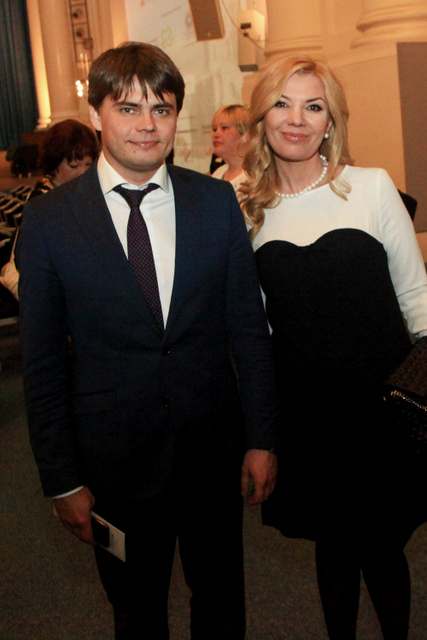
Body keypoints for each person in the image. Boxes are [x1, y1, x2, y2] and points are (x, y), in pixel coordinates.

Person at [17, 42, 280, 640]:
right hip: (112, 465)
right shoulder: (51, 222)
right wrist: (62, 478)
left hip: (212, 455)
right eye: (128, 108)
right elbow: (43, 365)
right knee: (136, 614)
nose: (146, 125)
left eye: (161, 109)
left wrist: (263, 437)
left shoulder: (215, 202)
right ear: (96, 113)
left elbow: (248, 331)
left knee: (222, 606)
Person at [241, 54, 427, 640]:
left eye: (313, 106)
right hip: (307, 415)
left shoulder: (371, 187)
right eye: (283, 103)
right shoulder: (247, 209)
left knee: (383, 547)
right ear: (263, 117)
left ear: (330, 122)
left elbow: (418, 299)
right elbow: (257, 329)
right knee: (333, 547)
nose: (297, 119)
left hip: (382, 411)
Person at [0, 119, 99, 300]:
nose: (84, 173)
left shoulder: (85, 195)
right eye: (74, 166)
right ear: (54, 166)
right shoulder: (42, 202)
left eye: (88, 164)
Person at [211, 104, 249, 191]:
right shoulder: (218, 174)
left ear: (245, 133)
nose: (215, 134)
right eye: (214, 129)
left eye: (224, 128)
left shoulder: (254, 178)